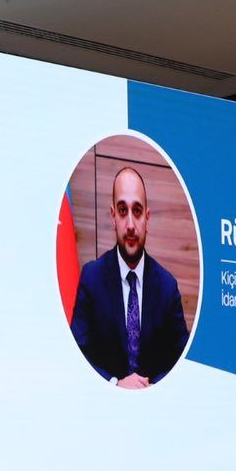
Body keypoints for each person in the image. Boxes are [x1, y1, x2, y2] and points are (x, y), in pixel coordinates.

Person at [70, 165, 190, 387]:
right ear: (113, 217)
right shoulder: (91, 279)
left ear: (147, 218)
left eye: (137, 211)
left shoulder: (167, 287)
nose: (131, 225)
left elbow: (182, 360)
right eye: (123, 211)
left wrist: (153, 388)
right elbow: (76, 354)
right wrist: (115, 384)